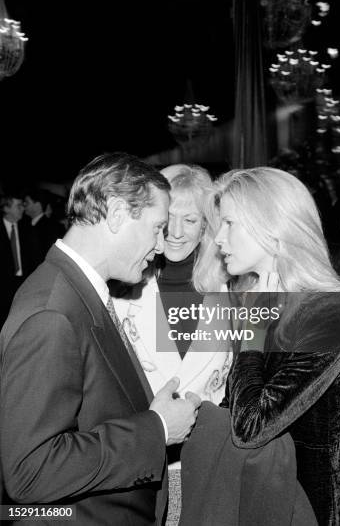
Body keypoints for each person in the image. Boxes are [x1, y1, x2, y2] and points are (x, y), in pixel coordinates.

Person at [0, 152, 201, 526]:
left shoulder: (82, 290)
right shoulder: (52, 313)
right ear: (118, 214)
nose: (161, 245)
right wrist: (156, 428)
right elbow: (30, 472)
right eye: (156, 227)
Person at [183, 167, 340, 526]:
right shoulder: (261, 298)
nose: (218, 238)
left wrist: (251, 337)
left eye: (230, 223)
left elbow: (250, 426)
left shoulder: (333, 312)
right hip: (260, 493)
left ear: (274, 230)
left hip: (310, 506)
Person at [112, 163, 232, 526]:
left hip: (210, 462)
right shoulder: (122, 287)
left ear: (208, 227)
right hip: (140, 465)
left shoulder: (233, 290)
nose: (176, 233)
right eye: (168, 220)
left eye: (191, 221)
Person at [0, 190, 35, 328]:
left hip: (24, 284)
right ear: (6, 208)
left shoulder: (28, 227)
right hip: (3, 287)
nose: (23, 208)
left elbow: (35, 257)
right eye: (18, 205)